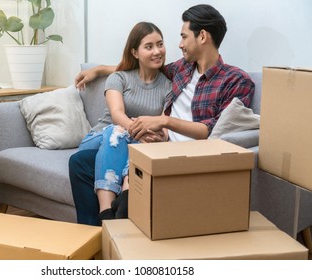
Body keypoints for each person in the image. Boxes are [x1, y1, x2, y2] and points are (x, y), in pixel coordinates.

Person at [70, 4, 255, 226]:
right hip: (153, 143)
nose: (179, 44)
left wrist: (164, 121)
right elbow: (141, 66)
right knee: (80, 162)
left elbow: (214, 130)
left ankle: (112, 231)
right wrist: (99, 70)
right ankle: (95, 236)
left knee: (90, 163)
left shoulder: (236, 81)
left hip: (176, 154)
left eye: (184, 37)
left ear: (202, 36)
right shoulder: (182, 69)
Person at [72, 21, 172, 226]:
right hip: (102, 137)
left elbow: (164, 122)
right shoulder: (119, 78)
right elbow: (117, 114)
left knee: (79, 163)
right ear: (135, 52)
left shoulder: (169, 85)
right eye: (149, 46)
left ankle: (101, 224)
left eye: (160, 44)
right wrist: (141, 132)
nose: (157, 51)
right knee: (117, 131)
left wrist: (155, 134)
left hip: (136, 143)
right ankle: (110, 209)